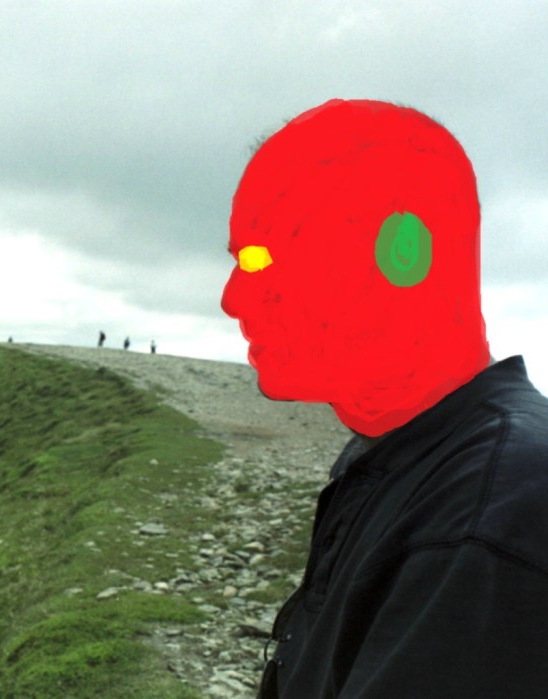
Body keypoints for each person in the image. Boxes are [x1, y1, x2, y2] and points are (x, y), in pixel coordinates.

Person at [221, 99, 548, 698]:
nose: (233, 298)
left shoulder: (491, 512)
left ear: (404, 252)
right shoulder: (402, 448)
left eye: (264, 257)